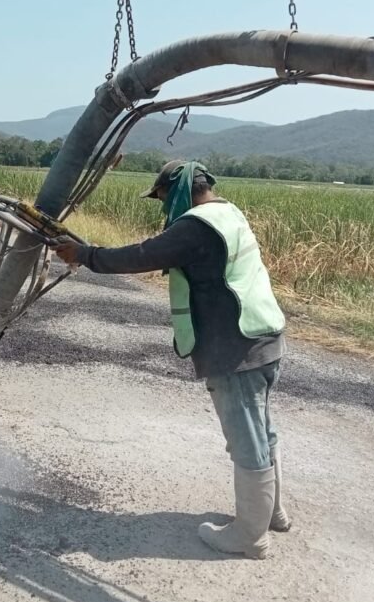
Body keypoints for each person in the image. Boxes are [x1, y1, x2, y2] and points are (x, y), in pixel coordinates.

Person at [52, 159, 291, 559]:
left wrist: (86, 255)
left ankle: (250, 536)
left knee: (247, 439)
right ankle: (272, 514)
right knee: (262, 431)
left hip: (236, 349)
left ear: (178, 191)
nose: (163, 207)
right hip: (264, 336)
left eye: (163, 198)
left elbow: (142, 255)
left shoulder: (197, 226)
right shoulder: (228, 213)